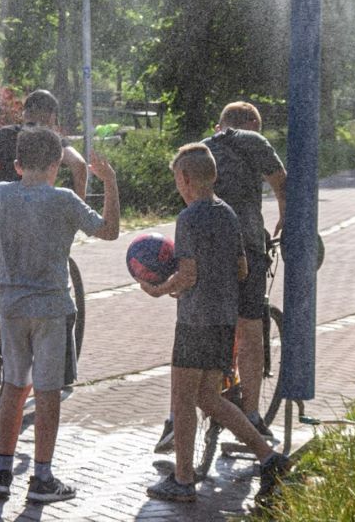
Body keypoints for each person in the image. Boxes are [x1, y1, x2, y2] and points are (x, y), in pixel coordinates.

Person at [0, 127, 120, 503]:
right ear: (56, 165)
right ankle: (42, 477)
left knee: (15, 387)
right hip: (52, 310)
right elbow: (110, 231)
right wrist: (110, 183)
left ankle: (2, 472)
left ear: (16, 165)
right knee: (48, 393)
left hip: (13, 309)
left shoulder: (0, 195)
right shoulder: (65, 199)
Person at [138, 143, 291, 504]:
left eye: (177, 179)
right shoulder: (227, 213)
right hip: (225, 320)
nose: (178, 186)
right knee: (210, 397)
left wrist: (160, 289)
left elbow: (188, 274)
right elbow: (241, 268)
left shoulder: (188, 218)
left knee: (182, 398)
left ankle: (183, 479)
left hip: (196, 321)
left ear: (186, 179)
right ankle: (269, 457)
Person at [154, 101, 286, 452]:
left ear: (220, 124)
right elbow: (280, 181)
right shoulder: (254, 140)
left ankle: (173, 421)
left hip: (204, 255)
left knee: (196, 334)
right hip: (246, 245)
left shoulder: (201, 150)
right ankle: (253, 413)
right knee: (250, 325)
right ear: (251, 125)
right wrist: (285, 221)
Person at [0, 90, 88, 262]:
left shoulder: (2, 134)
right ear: (52, 116)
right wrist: (78, 208)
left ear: (25, 113)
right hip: (35, 216)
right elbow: (79, 164)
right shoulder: (50, 139)